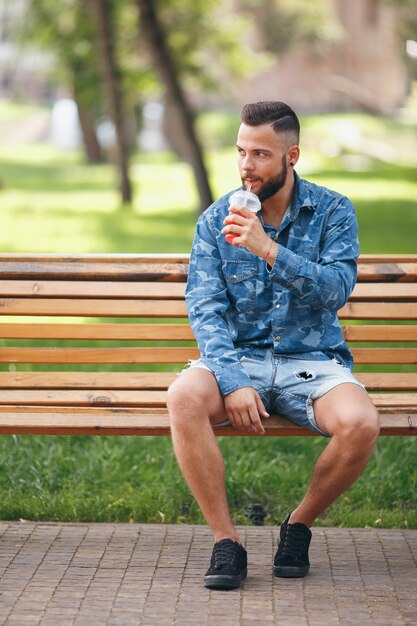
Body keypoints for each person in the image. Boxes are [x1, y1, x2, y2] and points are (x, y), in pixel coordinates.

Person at [167, 101, 379, 590]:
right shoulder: (216, 219)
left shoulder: (333, 212)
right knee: (182, 398)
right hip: (238, 359)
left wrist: (268, 249)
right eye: (241, 151)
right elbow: (205, 308)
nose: (246, 165)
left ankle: (297, 526)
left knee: (361, 423)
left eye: (261, 154)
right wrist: (234, 381)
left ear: (292, 155)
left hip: (314, 363)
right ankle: (227, 543)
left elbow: (335, 291)